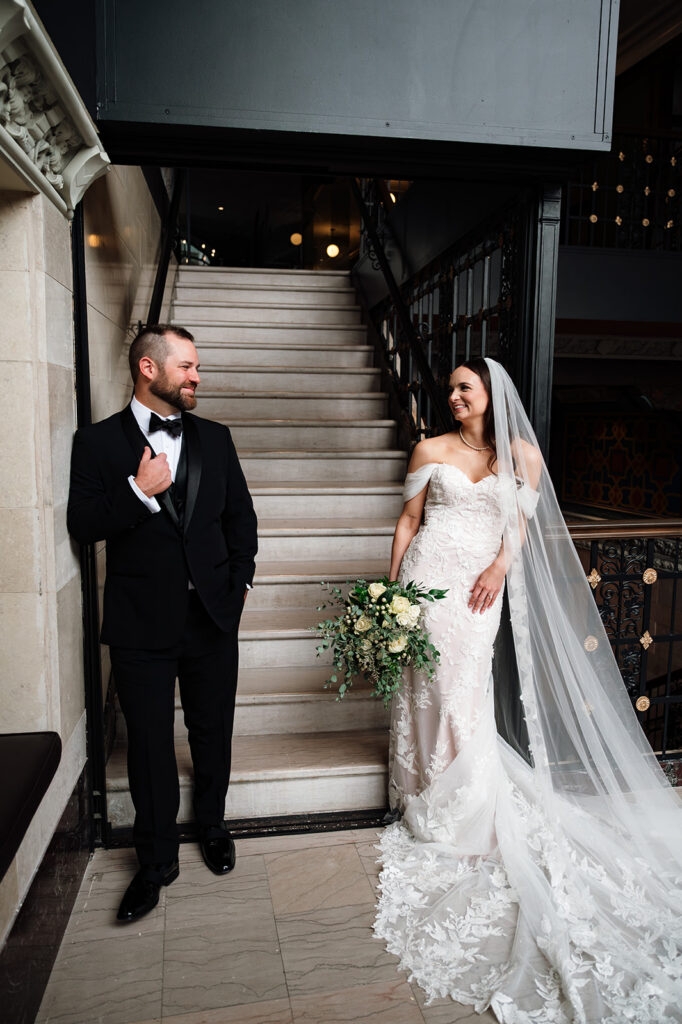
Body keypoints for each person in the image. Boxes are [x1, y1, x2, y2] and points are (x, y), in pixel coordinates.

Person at [376, 356, 682, 1022]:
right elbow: (407, 523)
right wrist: (385, 597)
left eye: (466, 388)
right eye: (450, 388)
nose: (453, 396)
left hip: (479, 592)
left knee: (464, 693)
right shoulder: (428, 447)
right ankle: (433, 793)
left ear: (491, 394)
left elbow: (519, 526)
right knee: (430, 692)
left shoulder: (520, 456)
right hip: (426, 583)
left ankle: (469, 805)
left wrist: (498, 565)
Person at [67, 324, 257, 923]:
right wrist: (138, 492)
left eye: (196, 367)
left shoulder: (216, 438)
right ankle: (154, 863)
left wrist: (239, 586)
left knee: (212, 732)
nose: (197, 376)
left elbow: (241, 521)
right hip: (139, 626)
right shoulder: (95, 443)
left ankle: (213, 826)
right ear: (149, 369)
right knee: (148, 748)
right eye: (188, 367)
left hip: (211, 618)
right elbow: (84, 523)